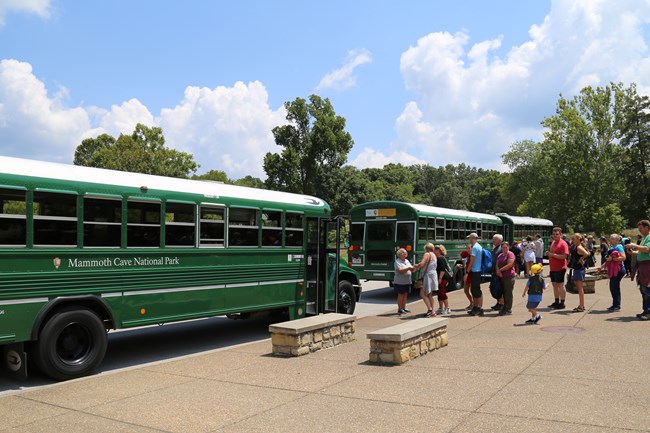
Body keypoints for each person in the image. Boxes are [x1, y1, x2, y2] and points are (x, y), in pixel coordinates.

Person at [626, 220, 650, 320]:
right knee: (643, 289)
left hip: (647, 266)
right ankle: (646, 310)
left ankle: (648, 312)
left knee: (646, 289)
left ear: (647, 227)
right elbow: (642, 252)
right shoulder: (644, 238)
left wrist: (634, 246)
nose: (640, 230)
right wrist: (633, 253)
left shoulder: (649, 237)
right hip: (643, 266)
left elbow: (647, 249)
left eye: (641, 228)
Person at [601, 234, 626, 312]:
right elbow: (608, 259)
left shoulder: (619, 247)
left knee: (614, 287)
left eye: (612, 239)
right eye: (610, 238)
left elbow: (623, 257)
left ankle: (616, 305)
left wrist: (612, 259)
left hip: (618, 270)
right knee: (614, 287)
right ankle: (615, 304)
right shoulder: (612, 247)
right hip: (613, 269)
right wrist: (602, 266)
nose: (610, 240)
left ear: (616, 240)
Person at [547, 227, 569, 310]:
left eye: (557, 234)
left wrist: (553, 255)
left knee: (560, 285)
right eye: (554, 234)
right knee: (554, 284)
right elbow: (552, 253)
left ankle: (562, 302)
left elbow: (564, 256)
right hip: (553, 267)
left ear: (560, 235)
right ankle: (556, 301)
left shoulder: (563, 244)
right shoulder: (553, 242)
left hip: (560, 267)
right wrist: (549, 254)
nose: (555, 235)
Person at [414, 243, 438, 317]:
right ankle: (433, 311)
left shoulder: (427, 254)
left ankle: (430, 310)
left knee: (422, 293)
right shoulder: (434, 255)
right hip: (433, 275)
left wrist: (416, 265)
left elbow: (422, 264)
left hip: (427, 275)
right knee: (430, 294)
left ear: (426, 248)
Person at [568, 233, 590, 313]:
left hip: (579, 269)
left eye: (574, 239)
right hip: (578, 269)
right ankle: (581, 305)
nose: (572, 240)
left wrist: (582, 259)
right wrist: (582, 258)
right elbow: (587, 252)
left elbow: (587, 253)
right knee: (579, 288)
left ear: (578, 239)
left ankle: (581, 306)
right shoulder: (577, 247)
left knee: (580, 289)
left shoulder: (579, 247)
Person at [495, 240, 516, 316]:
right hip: (501, 276)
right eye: (503, 247)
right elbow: (497, 264)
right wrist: (498, 270)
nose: (504, 249)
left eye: (506, 247)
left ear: (508, 247)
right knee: (503, 293)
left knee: (508, 293)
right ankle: (504, 307)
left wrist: (500, 270)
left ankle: (508, 308)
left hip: (509, 276)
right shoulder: (500, 255)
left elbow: (510, 264)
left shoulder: (510, 254)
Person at [467, 232, 484, 316]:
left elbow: (472, 260)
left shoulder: (474, 247)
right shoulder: (479, 246)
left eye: (470, 238)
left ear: (473, 238)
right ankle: (476, 307)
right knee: (475, 290)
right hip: (478, 270)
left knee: (476, 290)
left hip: (475, 270)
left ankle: (479, 308)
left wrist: (467, 271)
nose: (469, 239)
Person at [393, 248, 414, 315]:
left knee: (405, 294)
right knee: (401, 295)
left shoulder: (407, 261)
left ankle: (404, 307)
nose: (404, 254)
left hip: (407, 281)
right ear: (399, 254)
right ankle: (400, 309)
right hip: (400, 281)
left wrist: (415, 267)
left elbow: (411, 269)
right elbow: (400, 271)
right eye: (402, 253)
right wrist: (408, 268)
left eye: (405, 252)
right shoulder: (397, 262)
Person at [434, 245, 451, 314]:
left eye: (435, 250)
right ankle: (441, 308)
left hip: (443, 278)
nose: (434, 251)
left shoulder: (440, 258)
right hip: (440, 277)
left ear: (439, 251)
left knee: (442, 292)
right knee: (439, 292)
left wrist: (440, 278)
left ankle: (447, 308)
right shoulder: (439, 257)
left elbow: (442, 269)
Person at [489, 234, 504, 311]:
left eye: (494, 239)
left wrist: (499, 270)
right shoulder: (495, 248)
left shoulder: (501, 249)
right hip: (494, 271)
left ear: (499, 241)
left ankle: (502, 303)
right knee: (495, 288)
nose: (493, 240)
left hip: (499, 272)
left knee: (499, 288)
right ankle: (498, 302)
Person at [460, 245, 473, 310]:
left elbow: (472, 265)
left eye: (469, 248)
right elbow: (462, 255)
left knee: (472, 290)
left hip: (471, 274)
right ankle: (471, 302)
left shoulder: (473, 256)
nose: (467, 249)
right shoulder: (468, 255)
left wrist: (467, 274)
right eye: (467, 248)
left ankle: (474, 304)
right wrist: (462, 265)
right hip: (467, 274)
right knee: (466, 290)